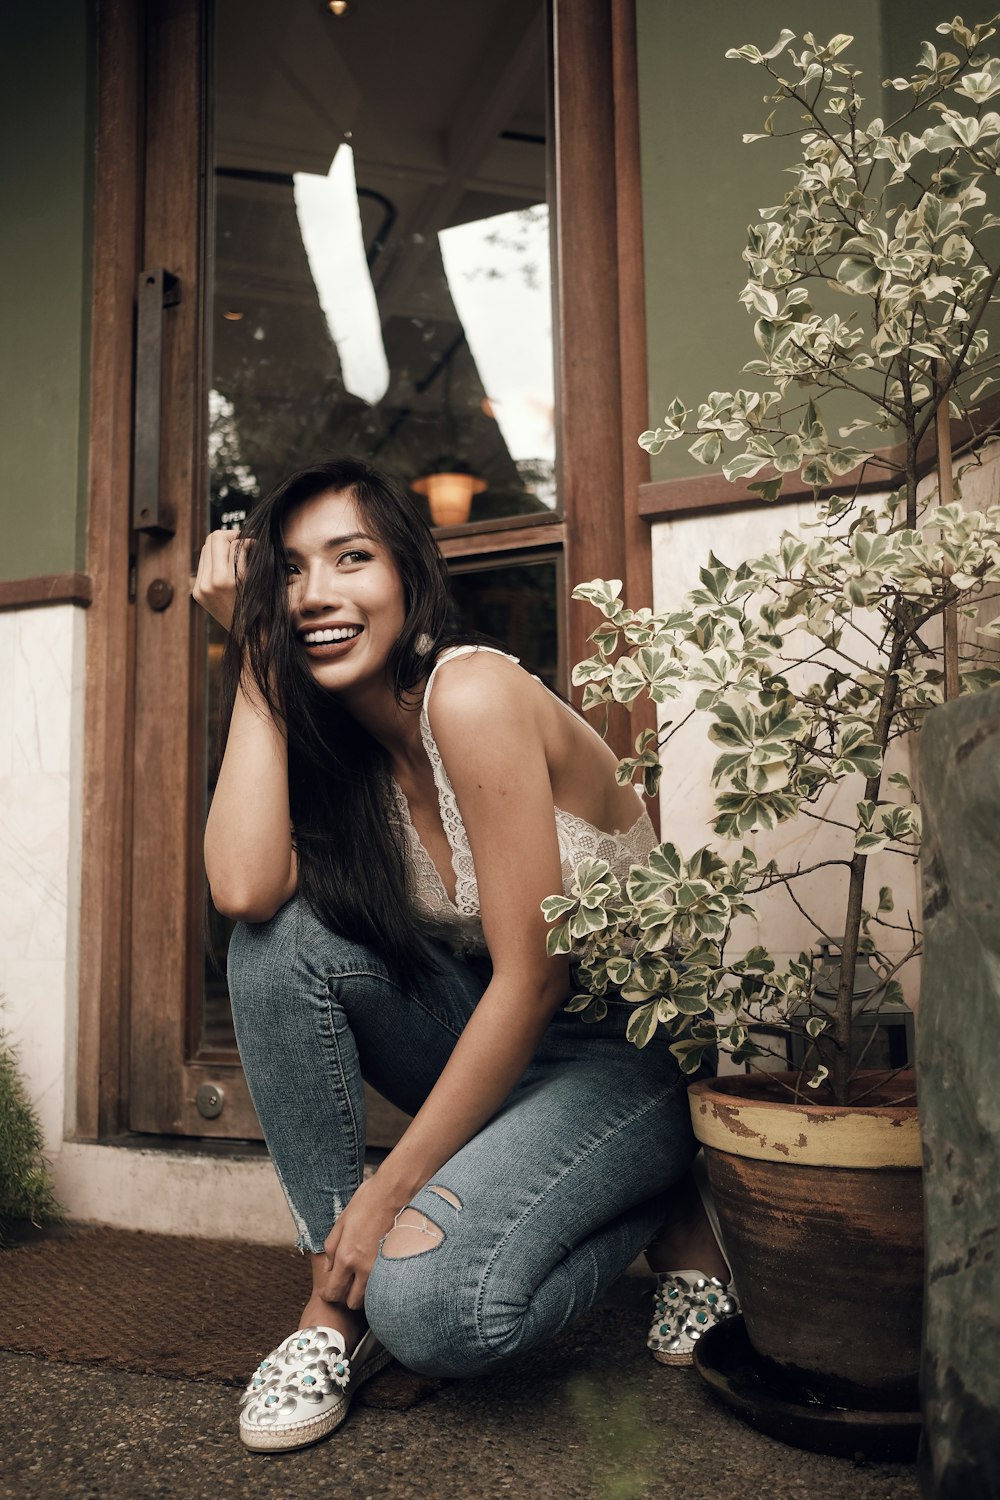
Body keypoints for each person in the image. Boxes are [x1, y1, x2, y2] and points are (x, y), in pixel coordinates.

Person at [192, 458, 735, 1454]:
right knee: (277, 940)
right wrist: (256, 662)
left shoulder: (472, 692)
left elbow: (536, 978)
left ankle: (661, 1192)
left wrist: (392, 1189)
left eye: (349, 558)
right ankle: (332, 1306)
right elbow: (242, 891)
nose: (317, 593)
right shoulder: (336, 754)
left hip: (624, 1057)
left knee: (437, 1313)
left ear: (406, 570)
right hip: (499, 1045)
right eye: (289, 573)